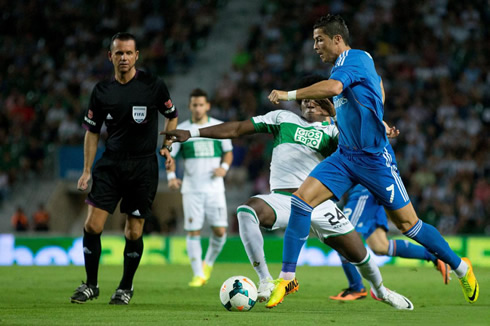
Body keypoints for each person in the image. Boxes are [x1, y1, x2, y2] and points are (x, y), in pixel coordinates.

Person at [266, 14, 478, 307]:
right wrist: (377, 117)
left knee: (409, 225)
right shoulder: (347, 69)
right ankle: (287, 277)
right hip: (345, 156)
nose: (315, 46)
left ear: (337, 39)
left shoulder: (353, 60)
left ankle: (460, 266)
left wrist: (287, 94)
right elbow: (375, 90)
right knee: (301, 202)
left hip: (375, 160)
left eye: (319, 40)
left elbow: (335, 89)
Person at [162, 75, 414, 310]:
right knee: (246, 211)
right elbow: (238, 129)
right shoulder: (282, 118)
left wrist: (354, 119)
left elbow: (362, 139)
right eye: (305, 101)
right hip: (283, 200)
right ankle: (265, 281)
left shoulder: (336, 131)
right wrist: (191, 133)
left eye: (316, 102)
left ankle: (381, 290)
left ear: (327, 103)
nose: (309, 106)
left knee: (359, 255)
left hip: (321, 205)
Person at [70, 32, 178, 305]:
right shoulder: (102, 91)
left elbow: (172, 116)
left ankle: (125, 287)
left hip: (143, 166)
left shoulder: (153, 85)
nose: (124, 58)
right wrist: (86, 170)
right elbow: (92, 132)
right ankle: (90, 285)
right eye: (119, 53)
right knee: (92, 225)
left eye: (129, 53)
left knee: (133, 232)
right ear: (110, 56)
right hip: (111, 164)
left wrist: (167, 145)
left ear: (137, 56)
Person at [331, 182, 450, 301]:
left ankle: (356, 288)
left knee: (344, 237)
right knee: (380, 246)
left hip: (363, 191)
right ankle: (435, 255)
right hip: (369, 190)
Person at [166, 88, 233, 287]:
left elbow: (228, 152)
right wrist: (171, 177)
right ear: (190, 106)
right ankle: (198, 275)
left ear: (208, 106)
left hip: (214, 188)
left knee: (220, 231)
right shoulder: (183, 130)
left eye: (201, 104)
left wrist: (224, 167)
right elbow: (171, 156)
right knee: (193, 231)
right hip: (192, 189)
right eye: (194, 105)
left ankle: (208, 263)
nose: (198, 108)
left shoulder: (218, 127)